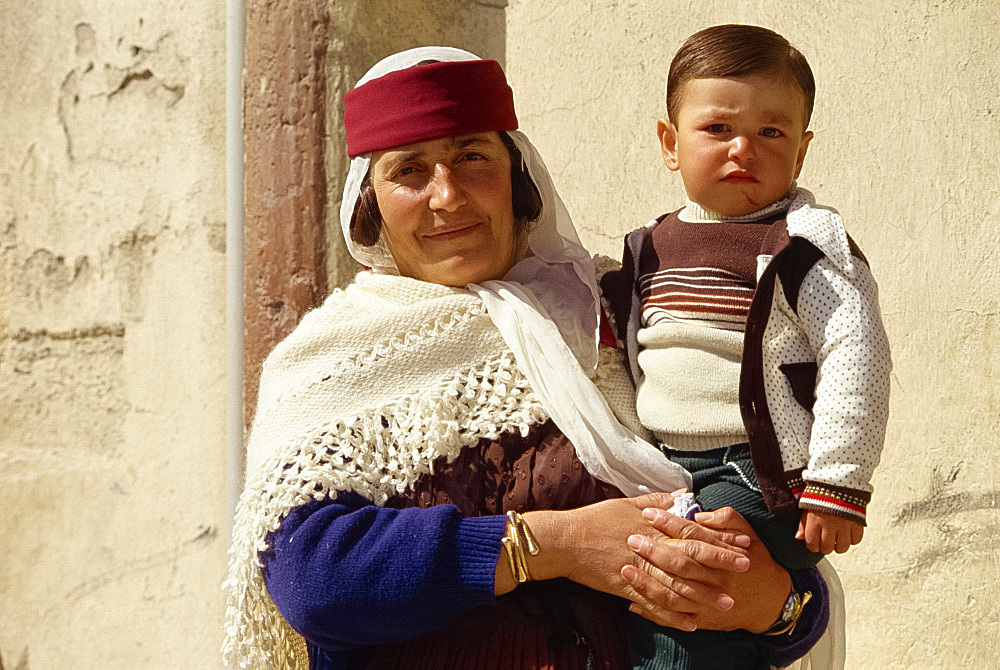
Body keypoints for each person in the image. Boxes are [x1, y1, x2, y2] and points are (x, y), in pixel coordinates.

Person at [222, 46, 833, 670]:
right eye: (410, 171)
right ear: (371, 204)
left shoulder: (624, 313)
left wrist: (778, 606)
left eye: (472, 157)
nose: (446, 195)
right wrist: (551, 544)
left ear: (518, 176)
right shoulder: (329, 364)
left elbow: (754, 501)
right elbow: (315, 582)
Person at [601, 24, 891, 669]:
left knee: (680, 582)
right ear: (669, 143)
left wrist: (838, 484)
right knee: (674, 596)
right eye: (717, 130)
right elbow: (624, 357)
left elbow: (857, 359)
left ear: (803, 151)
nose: (744, 149)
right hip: (668, 467)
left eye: (771, 132)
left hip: (760, 472)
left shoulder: (805, 248)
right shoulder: (646, 249)